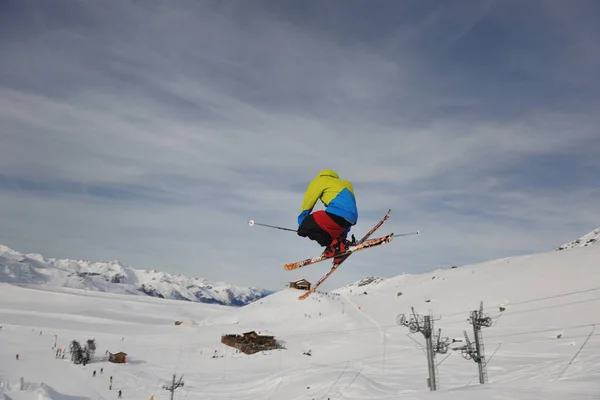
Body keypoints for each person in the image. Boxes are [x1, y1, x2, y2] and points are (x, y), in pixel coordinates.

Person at [297, 170, 358, 262]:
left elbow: (309, 200)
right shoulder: (346, 183)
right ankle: (338, 247)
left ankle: (335, 245)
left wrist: (302, 224)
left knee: (310, 223)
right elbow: (348, 210)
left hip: (337, 214)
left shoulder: (320, 180)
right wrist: (343, 236)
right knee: (329, 231)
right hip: (351, 218)